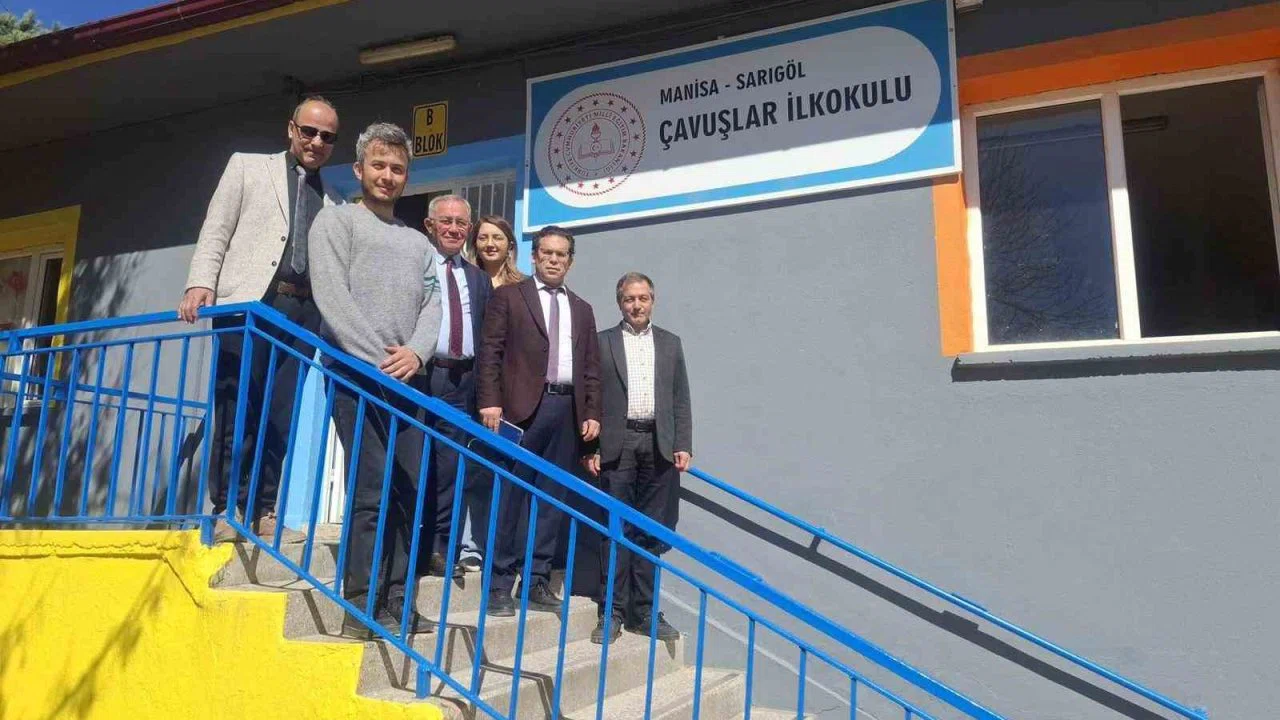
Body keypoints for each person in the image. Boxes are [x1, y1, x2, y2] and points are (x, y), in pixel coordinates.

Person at [179, 96, 342, 542]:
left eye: (327, 136)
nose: (316, 141)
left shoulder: (335, 200)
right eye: (309, 131)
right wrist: (200, 282)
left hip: (302, 314)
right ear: (291, 129)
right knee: (237, 404)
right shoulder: (248, 167)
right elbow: (217, 228)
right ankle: (225, 507)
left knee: (280, 414)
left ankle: (263, 509)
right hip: (249, 304)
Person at [308, 122, 441, 637]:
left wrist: (417, 354)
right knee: (371, 489)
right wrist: (379, 363)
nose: (388, 175)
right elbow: (332, 299)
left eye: (398, 169)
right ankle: (361, 604)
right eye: (379, 165)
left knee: (408, 490)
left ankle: (398, 601)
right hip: (357, 378)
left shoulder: (418, 243)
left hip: (408, 380)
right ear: (359, 169)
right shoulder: (336, 222)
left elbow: (433, 305)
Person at [475, 225, 601, 617]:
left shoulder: (582, 309)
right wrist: (490, 402)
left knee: (551, 499)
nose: (553, 260)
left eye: (561, 254)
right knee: (510, 496)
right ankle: (499, 584)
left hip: (567, 412)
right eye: (547, 252)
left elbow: (591, 368)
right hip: (520, 410)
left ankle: (536, 579)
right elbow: (490, 352)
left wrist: (592, 412)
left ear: (570, 261)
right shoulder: (509, 297)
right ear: (534, 256)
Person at [584, 272, 692, 645]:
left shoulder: (670, 344)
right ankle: (612, 611)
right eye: (630, 299)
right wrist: (590, 448)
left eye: (643, 298)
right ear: (620, 303)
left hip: (659, 446)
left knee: (651, 532)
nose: (636, 305)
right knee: (615, 530)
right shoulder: (603, 343)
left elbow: (680, 398)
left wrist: (683, 443)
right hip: (617, 445)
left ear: (652, 301)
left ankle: (644, 612)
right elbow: (590, 398)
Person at [418, 194, 490, 577]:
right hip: (423, 376)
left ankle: (441, 550)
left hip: (463, 382)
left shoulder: (478, 279)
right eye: (446, 221)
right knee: (416, 463)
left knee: (451, 468)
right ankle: (409, 546)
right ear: (430, 225)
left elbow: (488, 339)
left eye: (461, 223)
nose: (453, 229)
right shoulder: (417, 267)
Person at [466, 215, 524, 288]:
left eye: (497, 238)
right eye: (483, 238)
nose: (489, 244)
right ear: (475, 245)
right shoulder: (464, 282)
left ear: (510, 246)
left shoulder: (524, 285)